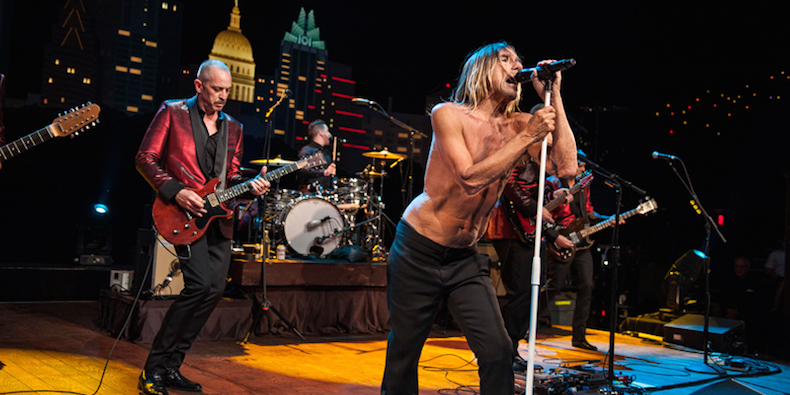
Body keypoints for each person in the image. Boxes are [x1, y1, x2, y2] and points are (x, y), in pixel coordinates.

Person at [381, 42, 577, 395]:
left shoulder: (519, 124)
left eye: (519, 61)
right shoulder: (448, 113)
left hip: (464, 259)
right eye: (506, 60)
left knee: (499, 351)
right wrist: (530, 134)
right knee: (405, 353)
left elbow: (566, 167)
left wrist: (554, 97)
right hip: (418, 249)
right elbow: (469, 178)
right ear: (481, 70)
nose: (517, 66)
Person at [135, 59, 270, 395]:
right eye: (216, 89)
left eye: (227, 90)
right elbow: (145, 158)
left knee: (213, 291)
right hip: (182, 214)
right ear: (199, 86)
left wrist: (251, 184)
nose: (223, 96)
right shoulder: (173, 112)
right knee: (198, 286)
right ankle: (152, 370)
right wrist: (177, 192)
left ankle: (171, 367)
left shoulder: (233, 127)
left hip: (218, 220)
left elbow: (231, 177)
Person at [485, 158, 574, 371]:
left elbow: (532, 192)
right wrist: (535, 208)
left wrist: (552, 196)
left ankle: (511, 348)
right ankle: (505, 351)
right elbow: (507, 184)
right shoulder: (518, 156)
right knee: (520, 292)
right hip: (509, 228)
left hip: (529, 231)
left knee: (533, 289)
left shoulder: (539, 161)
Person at [545, 158, 617, 351]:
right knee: (554, 286)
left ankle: (579, 336)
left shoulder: (584, 185)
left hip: (582, 244)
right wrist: (557, 236)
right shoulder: (553, 182)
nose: (583, 169)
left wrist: (606, 219)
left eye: (584, 166)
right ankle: (526, 324)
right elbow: (546, 212)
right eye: (580, 165)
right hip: (562, 239)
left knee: (586, 286)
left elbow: (588, 211)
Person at [296, 119, 336, 194]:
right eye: (327, 131)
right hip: (309, 194)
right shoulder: (306, 150)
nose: (329, 134)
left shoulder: (326, 153)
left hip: (325, 193)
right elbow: (302, 171)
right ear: (321, 133)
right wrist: (324, 172)